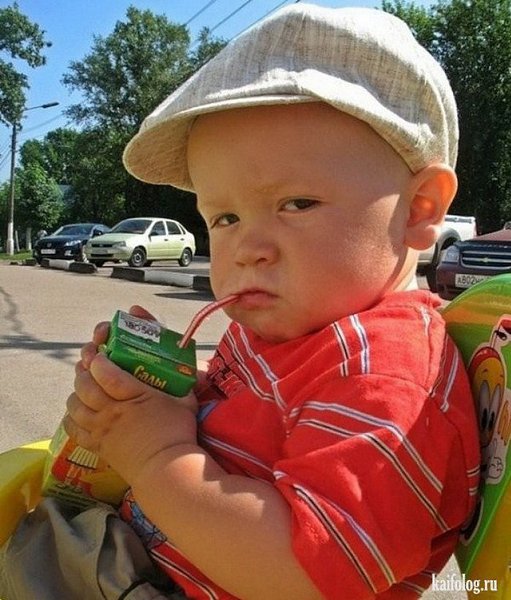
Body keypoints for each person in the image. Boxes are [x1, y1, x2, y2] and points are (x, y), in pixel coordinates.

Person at [5, 4, 481, 599]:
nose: (248, 249)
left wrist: (153, 451)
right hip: (123, 551)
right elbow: (250, 414)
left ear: (419, 209)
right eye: (225, 217)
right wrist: (158, 389)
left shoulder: (385, 377)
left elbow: (303, 575)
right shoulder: (279, 324)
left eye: (296, 204)